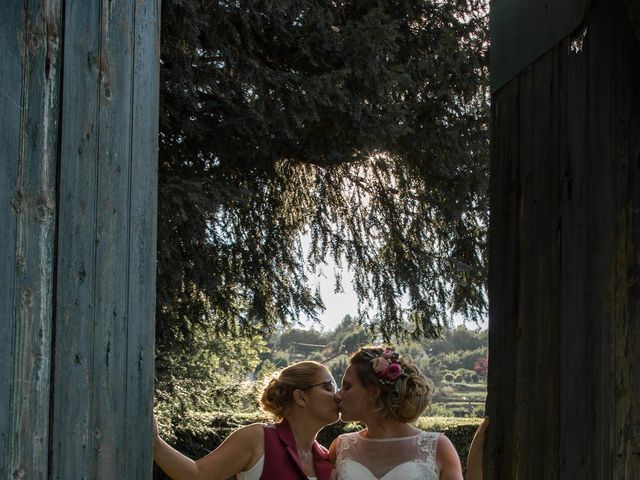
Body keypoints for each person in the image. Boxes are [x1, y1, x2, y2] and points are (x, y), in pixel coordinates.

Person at [153, 361, 339, 480]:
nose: (337, 396)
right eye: (329, 386)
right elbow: (198, 475)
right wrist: (155, 443)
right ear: (301, 397)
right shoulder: (258, 438)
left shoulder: (326, 457)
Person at [329, 346, 463, 480]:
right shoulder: (340, 447)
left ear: (374, 392)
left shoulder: (438, 448)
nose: (338, 396)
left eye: (347, 387)